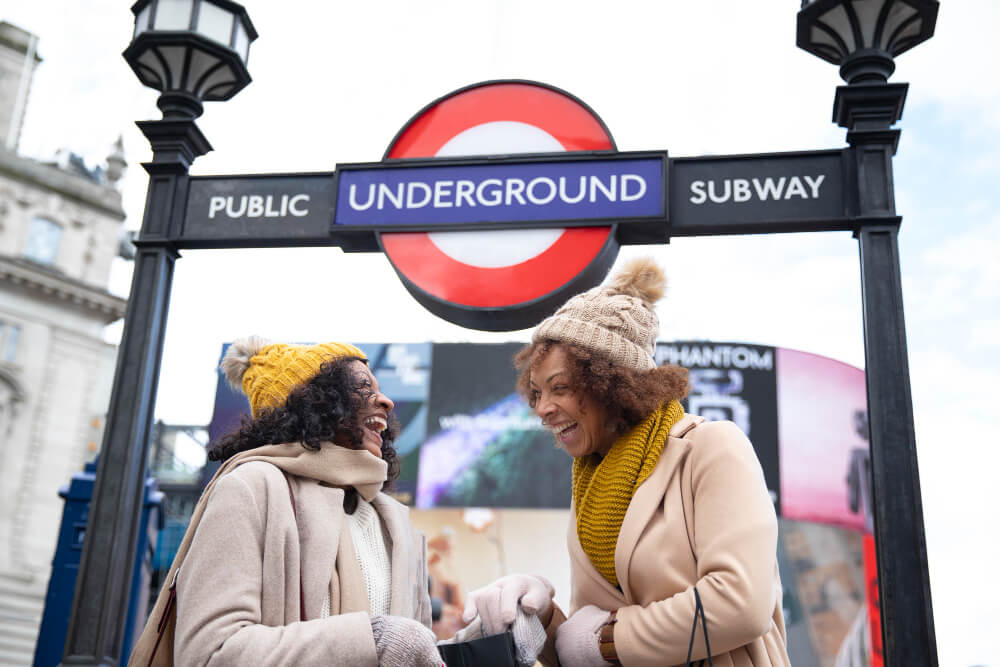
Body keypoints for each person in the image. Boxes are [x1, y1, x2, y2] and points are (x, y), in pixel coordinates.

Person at [130, 337, 545, 667]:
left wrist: (496, 636)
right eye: (363, 388)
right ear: (313, 404)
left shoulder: (393, 521)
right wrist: (373, 639)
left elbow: (414, 652)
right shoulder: (251, 487)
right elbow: (208, 655)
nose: (386, 402)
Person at [462, 258, 791, 666]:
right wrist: (540, 616)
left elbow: (742, 603)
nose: (543, 409)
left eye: (560, 388)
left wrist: (607, 640)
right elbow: (586, 642)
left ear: (613, 383)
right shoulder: (590, 480)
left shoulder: (710, 447)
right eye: (536, 393)